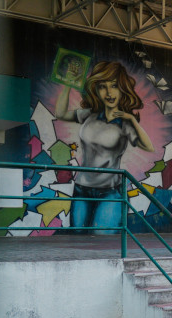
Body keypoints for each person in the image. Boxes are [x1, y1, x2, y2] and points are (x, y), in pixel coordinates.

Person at [55, 61, 154, 234]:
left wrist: (131, 120)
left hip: (110, 193)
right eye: (102, 87)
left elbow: (148, 146)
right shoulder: (90, 114)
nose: (109, 93)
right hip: (81, 189)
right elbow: (61, 114)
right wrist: (68, 84)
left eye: (114, 86)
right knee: (78, 240)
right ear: (97, 90)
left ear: (122, 88)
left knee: (102, 240)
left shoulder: (124, 124)